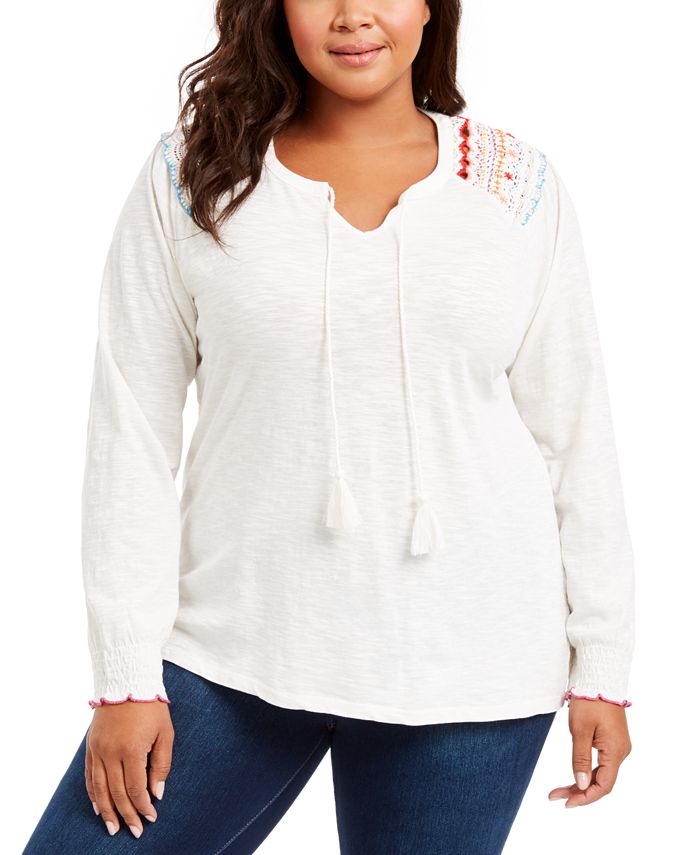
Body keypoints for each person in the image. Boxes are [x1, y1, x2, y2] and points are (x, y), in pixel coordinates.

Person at [22, 0, 635, 852]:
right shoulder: (193, 175)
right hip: (233, 652)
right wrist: (125, 678)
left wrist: (601, 664)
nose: (353, 15)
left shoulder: (516, 188)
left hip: (473, 670)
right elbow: (130, 433)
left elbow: (575, 435)